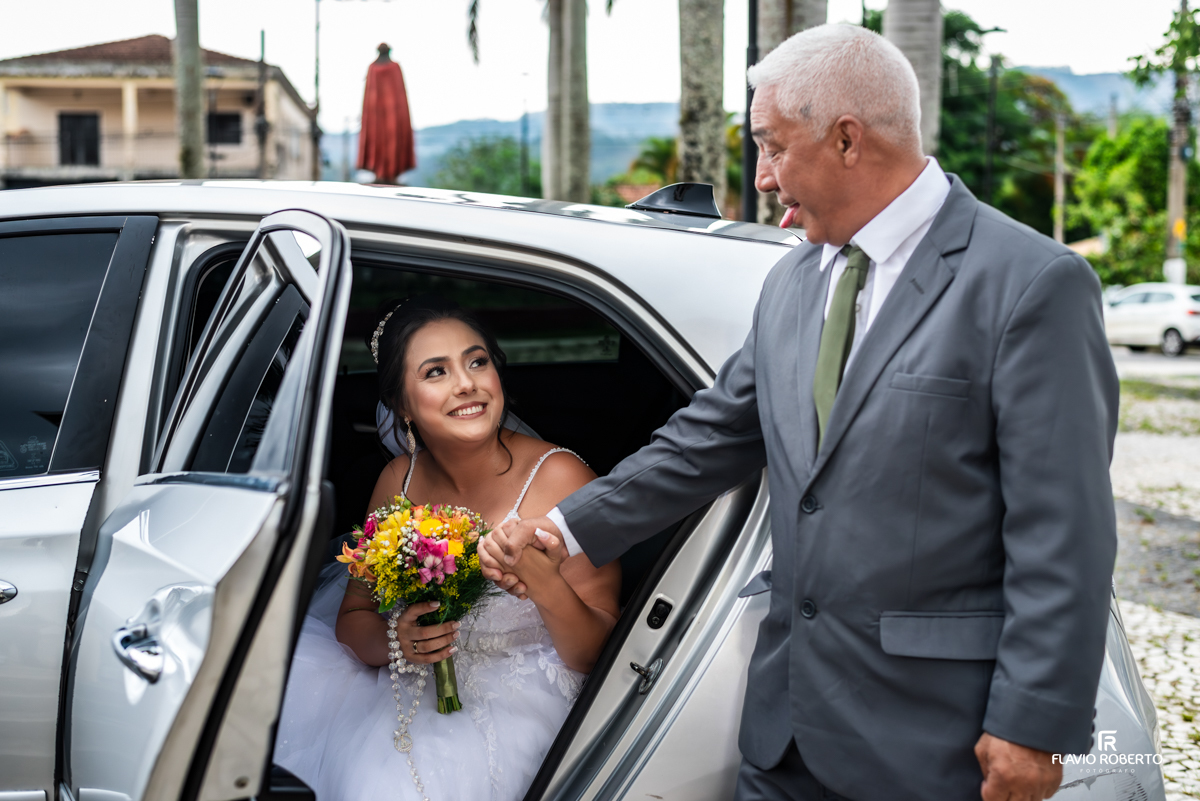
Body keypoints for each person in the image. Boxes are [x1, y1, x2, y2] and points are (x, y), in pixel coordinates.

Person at [481, 23, 1118, 801]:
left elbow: (1064, 530)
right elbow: (709, 436)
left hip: (936, 746)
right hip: (782, 736)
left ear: (847, 139)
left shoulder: (1030, 284)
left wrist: (1032, 724)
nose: (763, 178)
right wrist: (562, 530)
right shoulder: (792, 283)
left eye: (772, 146)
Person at [274, 296, 620, 801]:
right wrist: (398, 641)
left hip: (528, 703)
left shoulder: (561, 478)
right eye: (436, 371)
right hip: (405, 692)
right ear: (402, 406)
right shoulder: (399, 480)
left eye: (477, 361)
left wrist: (544, 584)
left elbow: (597, 654)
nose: (467, 383)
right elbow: (354, 615)